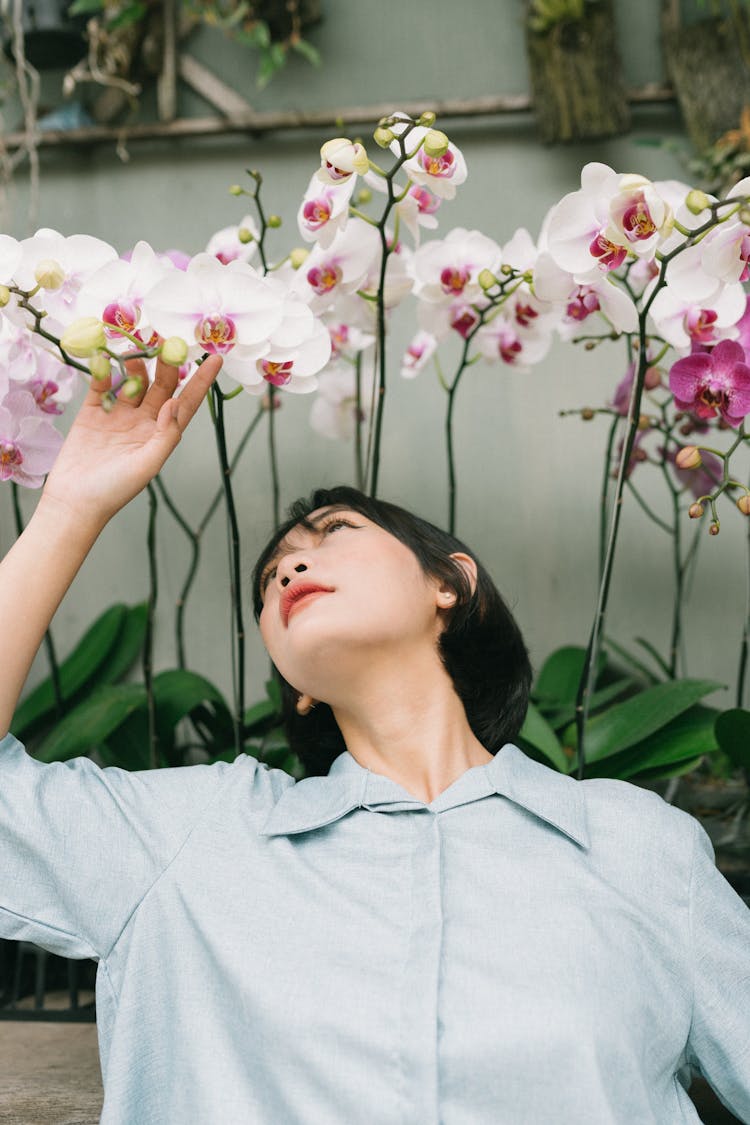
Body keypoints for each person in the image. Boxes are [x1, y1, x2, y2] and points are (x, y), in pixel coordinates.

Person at [0, 355, 749, 1125]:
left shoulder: (642, 850)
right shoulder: (186, 838)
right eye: (269, 581)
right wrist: (69, 511)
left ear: (449, 584)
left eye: (334, 533)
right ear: (297, 683)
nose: (290, 563)